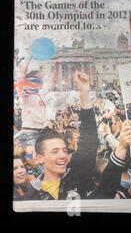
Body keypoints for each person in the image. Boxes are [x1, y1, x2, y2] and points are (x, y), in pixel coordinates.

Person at [29, 71, 99, 200]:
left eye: (65, 151)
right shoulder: (29, 195)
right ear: (39, 158)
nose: (63, 156)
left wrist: (84, 93)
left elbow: (89, 142)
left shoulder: (77, 177)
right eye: (55, 151)